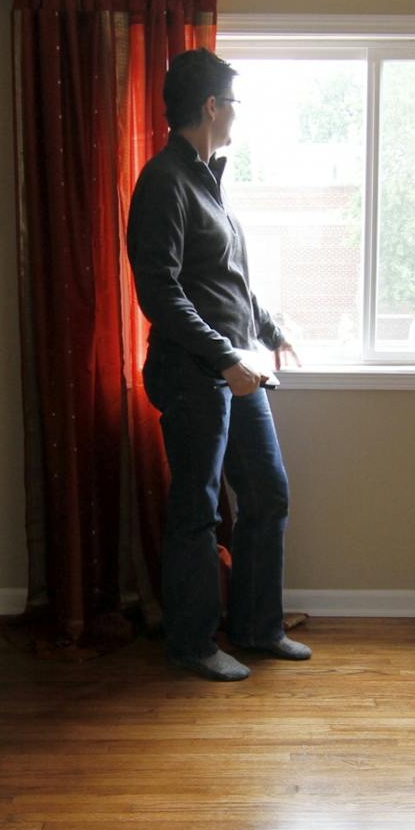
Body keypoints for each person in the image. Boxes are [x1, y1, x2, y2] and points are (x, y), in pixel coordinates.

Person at [126, 49, 309, 682]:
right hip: (193, 374)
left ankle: (259, 629)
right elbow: (161, 291)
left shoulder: (209, 180)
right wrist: (227, 356)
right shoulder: (164, 181)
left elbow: (224, 279)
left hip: (236, 370)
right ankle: (193, 643)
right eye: (234, 102)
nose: (237, 113)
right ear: (211, 106)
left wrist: (270, 330)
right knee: (197, 510)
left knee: (267, 493)